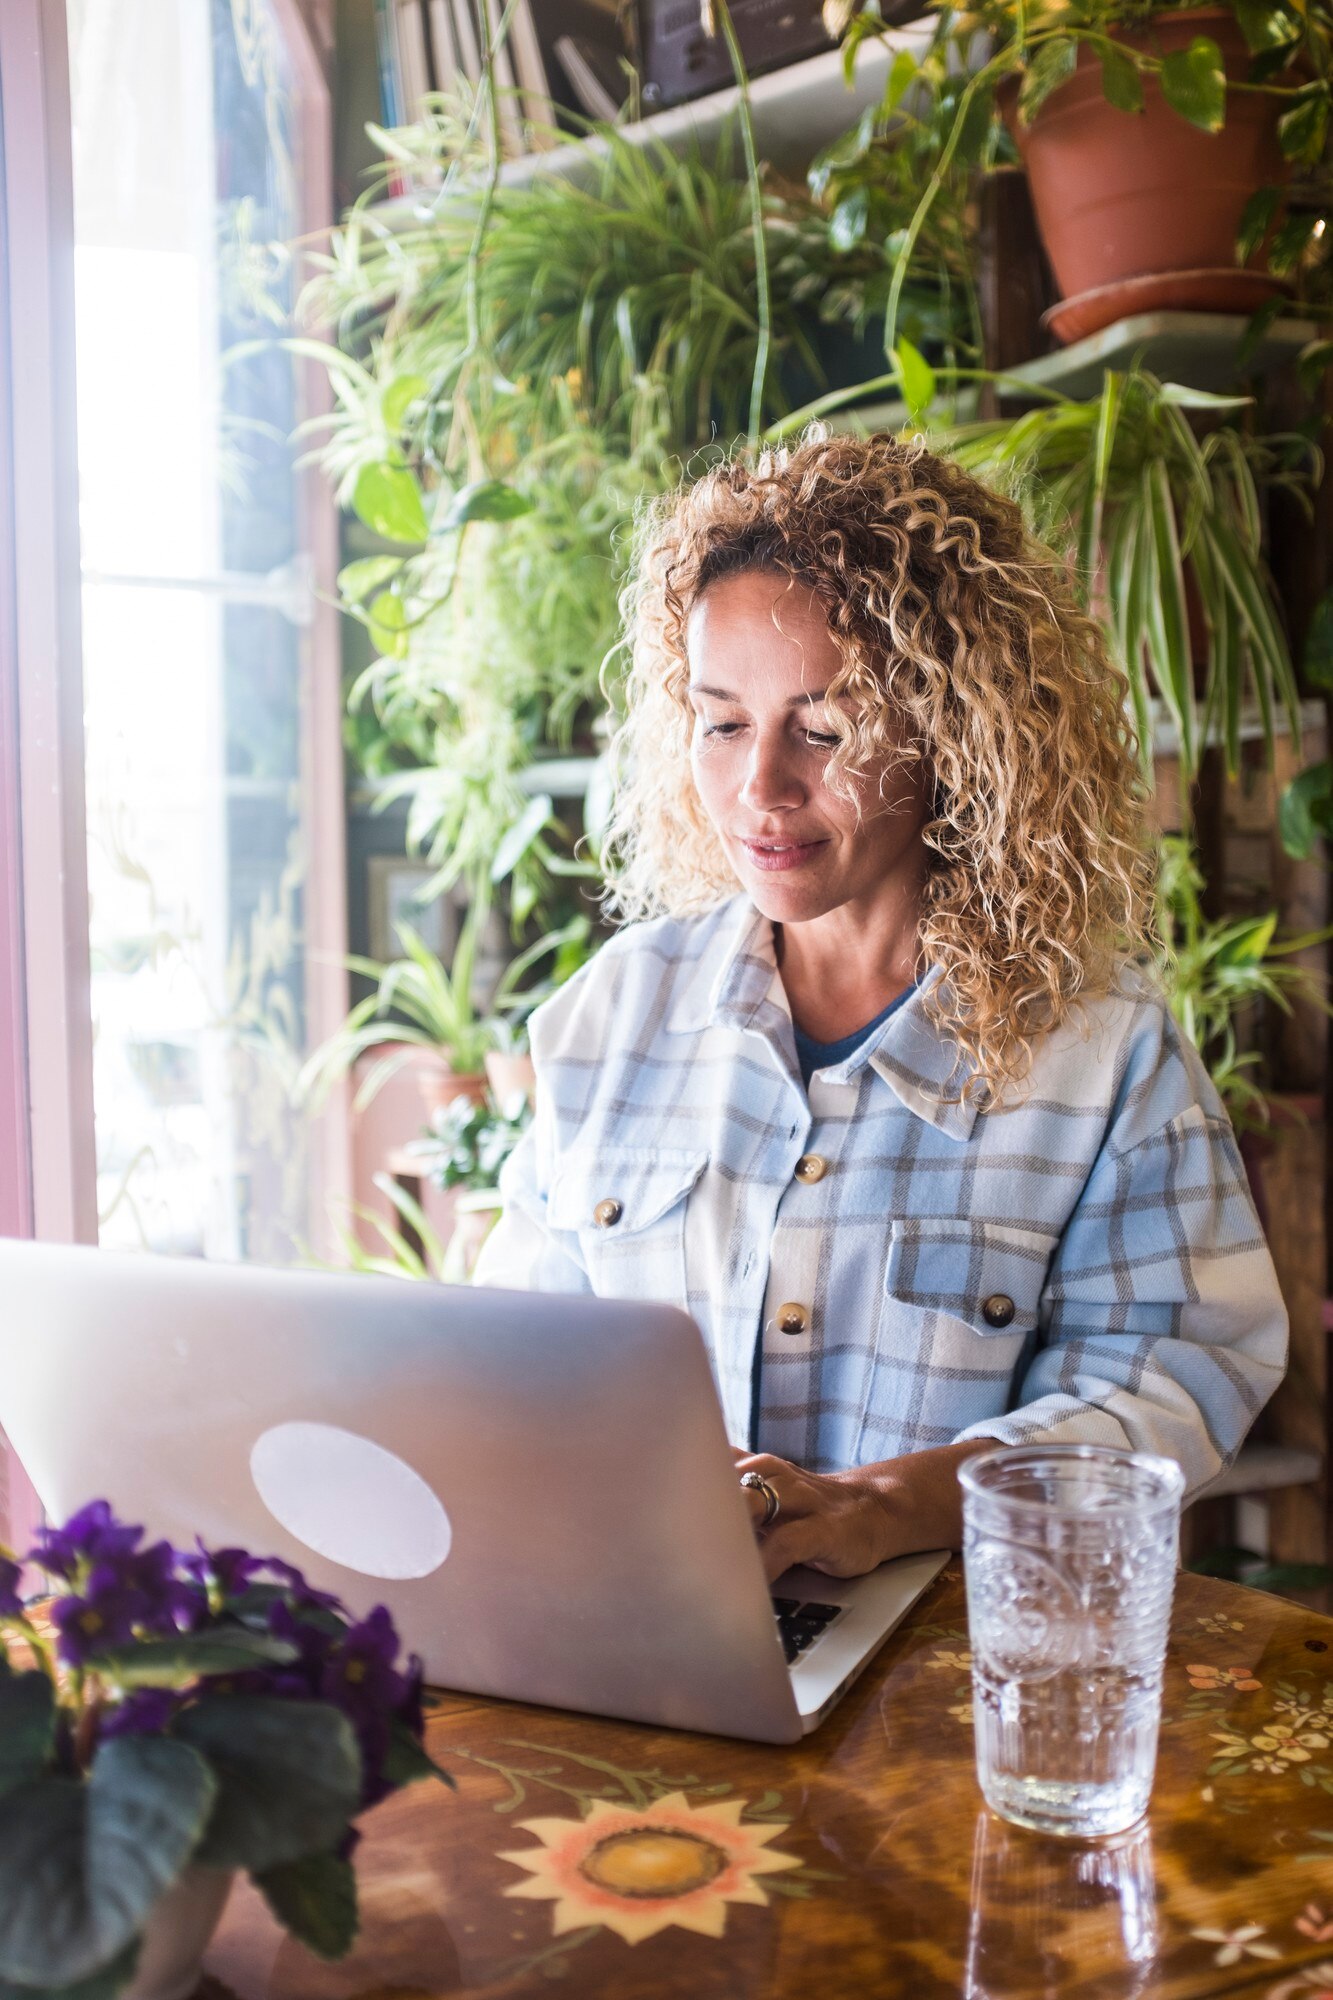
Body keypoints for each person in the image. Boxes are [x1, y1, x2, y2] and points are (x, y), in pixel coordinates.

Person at [474, 430, 1287, 1583]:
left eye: (824, 727)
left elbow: (1184, 1368)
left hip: (947, 1689)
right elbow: (514, 1352)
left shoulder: (1100, 1048)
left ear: (952, 734)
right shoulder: (618, 1011)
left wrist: (887, 1505)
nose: (759, 786)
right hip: (656, 1642)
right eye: (720, 722)